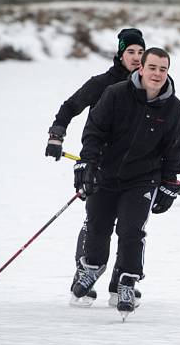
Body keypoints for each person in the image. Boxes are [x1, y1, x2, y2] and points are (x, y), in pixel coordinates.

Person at [71, 47, 180, 319]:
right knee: (98, 224)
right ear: (140, 69)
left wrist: (170, 182)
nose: (157, 74)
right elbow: (94, 131)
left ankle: (127, 281)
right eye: (153, 67)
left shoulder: (174, 108)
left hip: (142, 179)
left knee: (132, 230)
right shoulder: (115, 94)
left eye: (163, 69)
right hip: (106, 173)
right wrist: (87, 162)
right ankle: (93, 267)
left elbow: (174, 148)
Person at [46, 28, 147, 307]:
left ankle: (120, 285)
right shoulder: (102, 83)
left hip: (134, 170)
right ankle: (84, 276)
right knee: (97, 222)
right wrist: (56, 135)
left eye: (141, 52)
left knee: (130, 227)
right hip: (99, 163)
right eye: (131, 52)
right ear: (120, 53)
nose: (136, 58)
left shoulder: (150, 85)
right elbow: (70, 107)